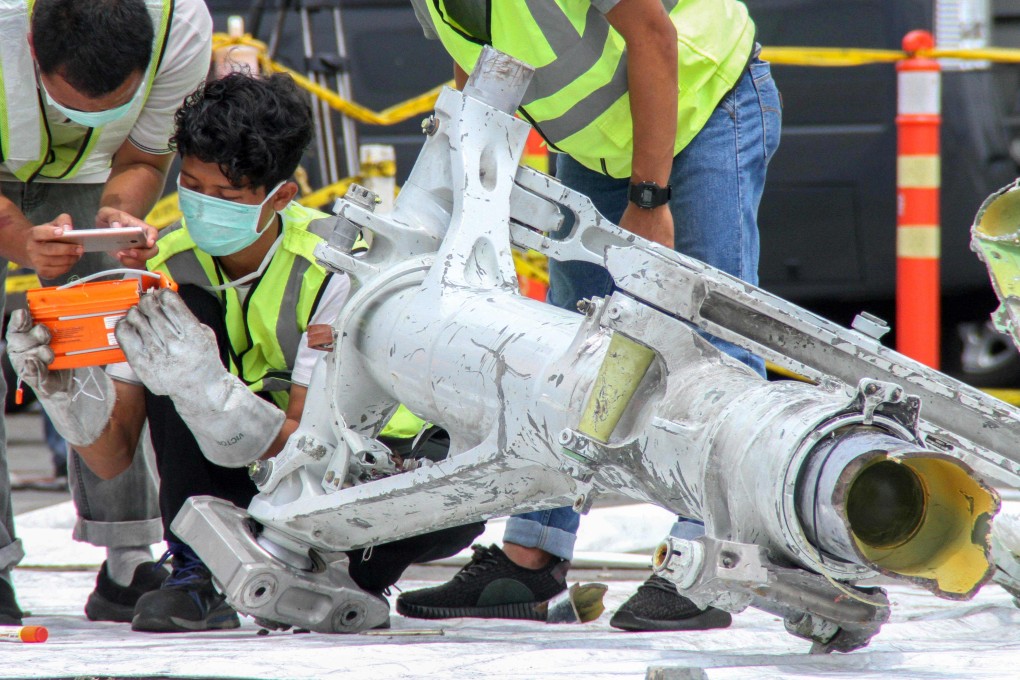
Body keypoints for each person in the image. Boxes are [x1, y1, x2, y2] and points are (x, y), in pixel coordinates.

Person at [8, 73, 483, 632]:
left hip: (366, 474)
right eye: (192, 186)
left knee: (406, 522)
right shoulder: (164, 270)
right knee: (178, 314)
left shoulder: (340, 265)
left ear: (281, 194)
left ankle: (328, 570)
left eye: (227, 195)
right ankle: (200, 570)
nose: (204, 205)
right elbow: (112, 460)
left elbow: (315, 448)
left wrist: (209, 392)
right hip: (250, 474)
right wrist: (69, 401)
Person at [396, 0, 782, 632]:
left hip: (703, 105)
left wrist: (650, 197)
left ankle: (712, 556)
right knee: (571, 344)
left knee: (713, 335)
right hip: (601, 143)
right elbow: (479, 66)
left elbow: (653, 36)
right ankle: (532, 553)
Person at [0, 0, 212, 626]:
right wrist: (20, 241)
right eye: (71, 102)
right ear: (33, 52)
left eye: (111, 103)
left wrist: (119, 214)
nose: (86, 115)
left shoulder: (179, 26)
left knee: (115, 343)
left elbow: (144, 158)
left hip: (92, 171)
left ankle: (127, 559)